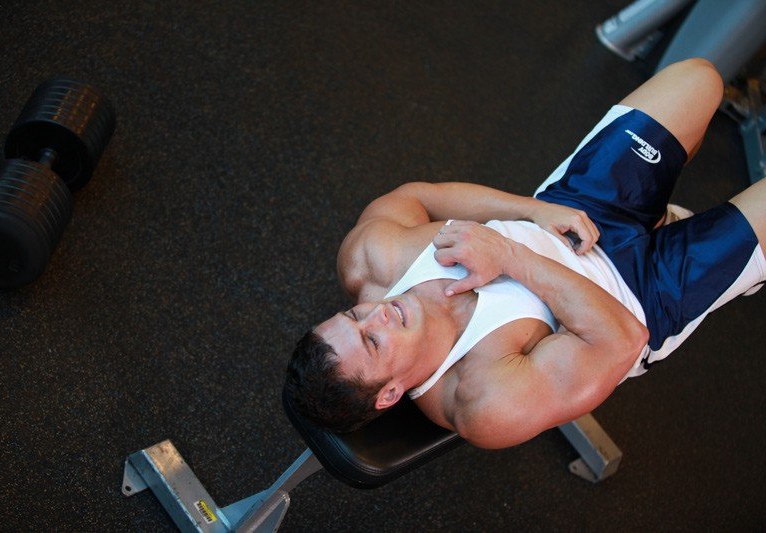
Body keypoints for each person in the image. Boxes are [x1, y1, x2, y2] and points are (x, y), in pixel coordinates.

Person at [285, 58, 766, 447]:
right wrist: (510, 257)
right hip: (646, 294)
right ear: (391, 393)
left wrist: (532, 210)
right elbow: (623, 338)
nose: (378, 313)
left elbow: (418, 196)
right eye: (372, 341)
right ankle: (692, 243)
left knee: (700, 79)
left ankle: (656, 214)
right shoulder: (483, 401)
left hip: (577, 207)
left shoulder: (372, 262)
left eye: (353, 315)